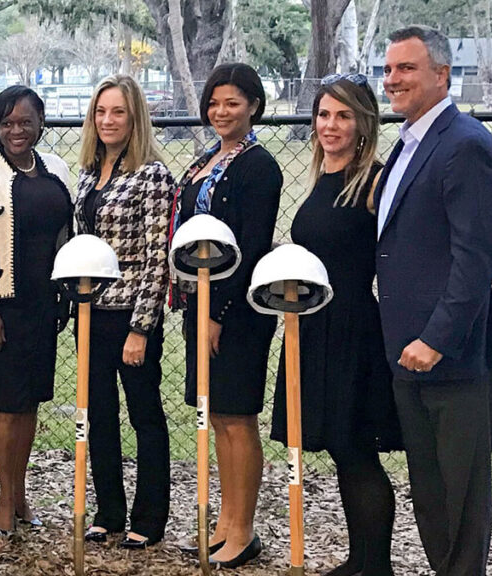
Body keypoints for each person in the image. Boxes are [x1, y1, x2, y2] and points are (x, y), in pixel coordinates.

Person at [375, 25, 492, 576]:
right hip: (405, 352)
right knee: (427, 491)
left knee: (461, 497)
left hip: (454, 358)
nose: (393, 79)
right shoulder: (407, 143)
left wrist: (436, 340)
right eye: (388, 69)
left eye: (406, 68)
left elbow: (475, 258)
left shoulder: (466, 144)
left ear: (442, 74)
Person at [270, 74, 402, 576]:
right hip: (311, 326)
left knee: (356, 449)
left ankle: (376, 566)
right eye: (324, 114)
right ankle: (359, 561)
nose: (331, 125)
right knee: (343, 452)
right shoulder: (322, 172)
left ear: (363, 123)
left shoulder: (376, 180)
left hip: (352, 329)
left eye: (343, 116)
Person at [169, 63, 282, 568]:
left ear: (253, 105)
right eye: (214, 102)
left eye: (232, 102)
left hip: (235, 312)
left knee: (237, 417)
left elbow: (253, 246)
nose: (221, 111)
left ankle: (243, 527)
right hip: (202, 304)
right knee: (216, 415)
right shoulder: (206, 159)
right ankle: (224, 521)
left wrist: (220, 312)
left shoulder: (260, 167)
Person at [0, 85, 72, 536]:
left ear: (41, 122)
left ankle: (20, 493)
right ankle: (5, 501)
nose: (16, 130)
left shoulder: (57, 169)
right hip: (0, 307)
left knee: (30, 405)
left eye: (25, 121)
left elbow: (67, 231)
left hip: (43, 307)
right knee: (9, 407)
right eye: (7, 123)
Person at [75, 74, 175, 549]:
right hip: (91, 315)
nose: (108, 120)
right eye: (100, 112)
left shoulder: (151, 174)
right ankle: (110, 510)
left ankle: (150, 516)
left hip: (131, 314)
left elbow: (160, 257)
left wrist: (141, 327)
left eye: (118, 112)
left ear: (134, 117)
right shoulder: (89, 173)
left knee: (144, 415)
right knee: (99, 414)